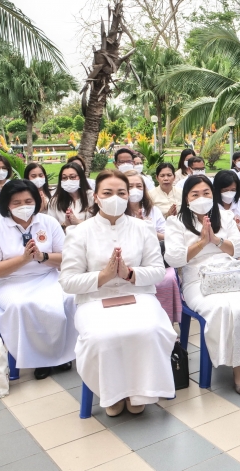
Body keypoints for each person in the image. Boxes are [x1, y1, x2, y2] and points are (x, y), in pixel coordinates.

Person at [59, 170, 175, 417]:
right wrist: (103, 277)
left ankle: (140, 391)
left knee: (150, 331)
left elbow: (157, 271)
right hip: (95, 299)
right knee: (102, 337)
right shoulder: (79, 232)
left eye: (121, 193)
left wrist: (130, 274)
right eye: (108, 193)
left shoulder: (144, 228)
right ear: (97, 197)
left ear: (129, 195)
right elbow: (68, 282)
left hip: (139, 295)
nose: (115, 198)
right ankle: (111, 392)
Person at [164, 175, 240, 395]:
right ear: (186, 198)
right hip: (197, 278)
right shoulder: (175, 222)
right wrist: (202, 242)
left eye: (206, 193)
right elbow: (174, 259)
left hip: (230, 272)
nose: (201, 198)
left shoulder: (224, 216)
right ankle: (238, 366)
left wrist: (216, 240)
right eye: (195, 194)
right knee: (223, 308)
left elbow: (239, 248)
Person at [0, 180, 77, 379]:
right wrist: (23, 259)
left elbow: (67, 257)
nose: (23, 206)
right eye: (16, 203)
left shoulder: (48, 223)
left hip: (47, 276)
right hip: (11, 282)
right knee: (22, 306)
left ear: (37, 201)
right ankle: (38, 360)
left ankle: (60, 354)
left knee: (69, 299)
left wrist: (42, 257)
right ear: (6, 204)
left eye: (28, 200)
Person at [48, 162, 93, 229]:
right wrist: (65, 224)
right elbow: (51, 228)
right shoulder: (55, 201)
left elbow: (98, 226)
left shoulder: (91, 197)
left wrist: (78, 222)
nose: (68, 181)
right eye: (64, 178)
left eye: (72, 177)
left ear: (81, 178)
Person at [214, 170, 240, 241]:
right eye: (225, 190)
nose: (229, 193)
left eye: (233, 190)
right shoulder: (211, 207)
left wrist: (233, 226)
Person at [124, 170, 166, 240]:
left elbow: (166, 236)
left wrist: (147, 229)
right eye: (130, 186)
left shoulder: (153, 210)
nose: (135, 189)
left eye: (139, 186)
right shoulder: (118, 212)